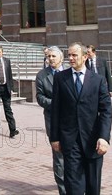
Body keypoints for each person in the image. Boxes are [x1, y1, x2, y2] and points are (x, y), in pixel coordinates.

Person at [50, 42, 112, 195]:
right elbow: (55, 109)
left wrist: (104, 138)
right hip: (70, 142)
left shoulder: (98, 80)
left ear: (84, 57)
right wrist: (55, 138)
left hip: (93, 142)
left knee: (93, 186)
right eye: (69, 55)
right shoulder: (60, 78)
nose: (70, 58)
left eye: (74, 55)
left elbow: (106, 111)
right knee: (73, 187)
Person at [36, 46, 66, 195]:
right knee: (59, 156)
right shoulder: (42, 75)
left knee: (74, 155)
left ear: (61, 57)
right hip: (53, 121)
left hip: (73, 122)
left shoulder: (70, 72)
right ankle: (63, 189)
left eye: (54, 56)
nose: (51, 59)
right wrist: (55, 103)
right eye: (49, 57)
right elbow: (40, 98)